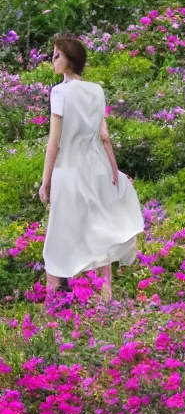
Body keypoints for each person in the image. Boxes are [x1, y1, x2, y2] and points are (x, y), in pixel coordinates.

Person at [39, 36, 144, 302]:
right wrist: (113, 172)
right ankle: (105, 296)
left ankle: (53, 301)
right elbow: (105, 136)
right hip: (96, 168)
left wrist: (45, 180)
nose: (53, 60)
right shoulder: (96, 90)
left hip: (70, 170)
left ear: (69, 60)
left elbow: (54, 142)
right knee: (99, 231)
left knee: (57, 237)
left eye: (57, 55)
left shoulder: (60, 92)